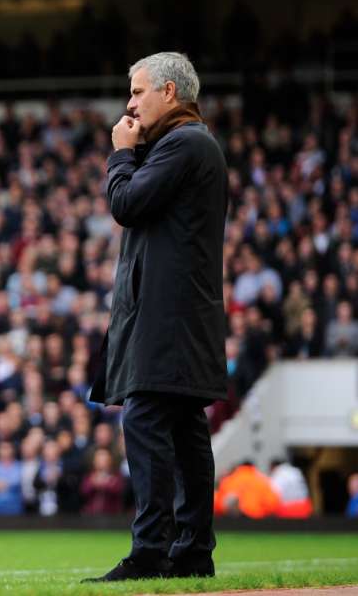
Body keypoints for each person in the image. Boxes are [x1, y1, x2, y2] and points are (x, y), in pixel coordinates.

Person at [86, 52, 228, 582]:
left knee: (145, 418)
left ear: (169, 93)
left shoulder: (184, 143)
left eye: (138, 91)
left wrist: (122, 155)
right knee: (186, 426)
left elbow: (126, 204)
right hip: (183, 311)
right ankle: (192, 550)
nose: (130, 103)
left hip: (167, 315)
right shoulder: (191, 144)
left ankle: (151, 548)